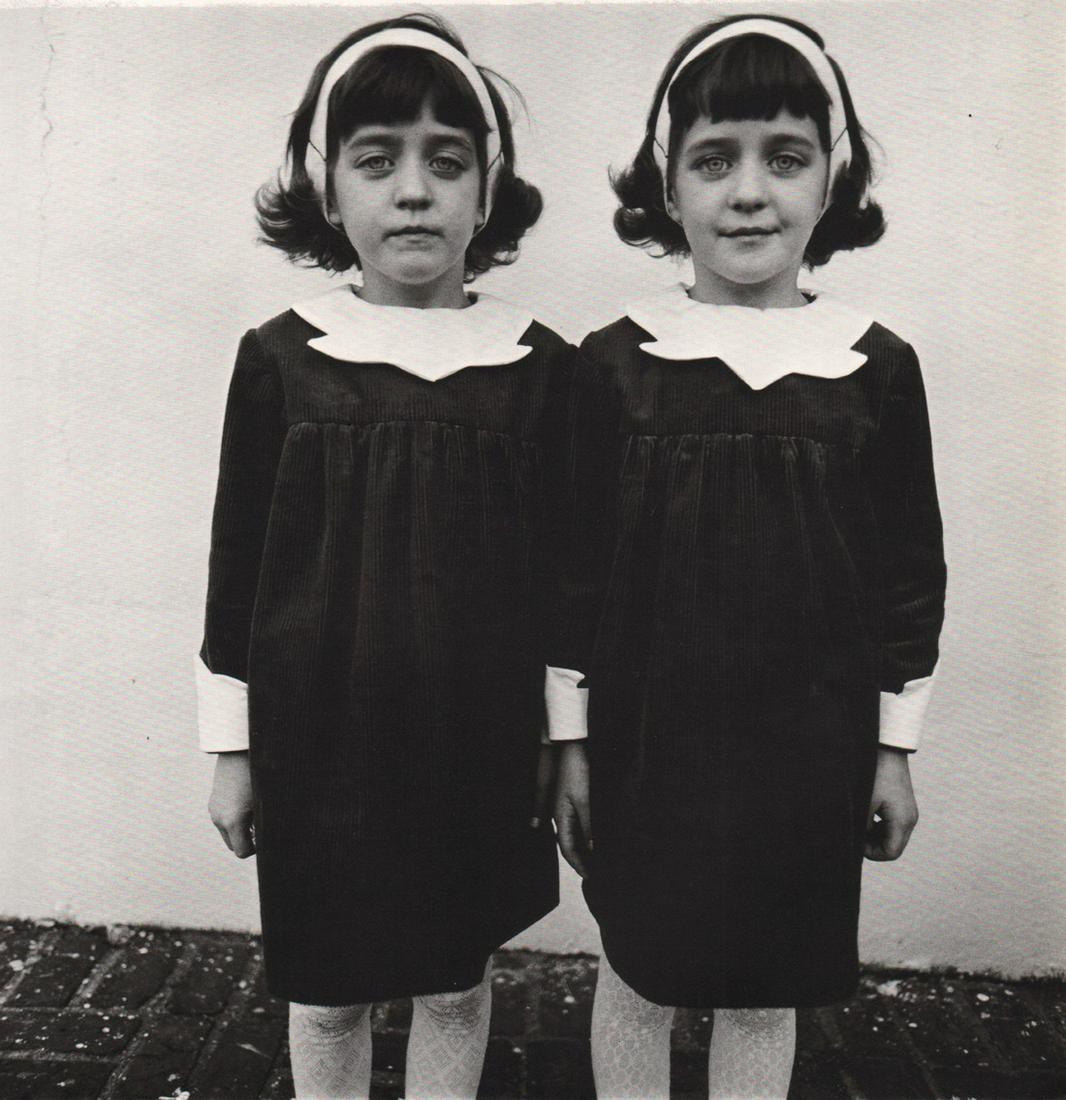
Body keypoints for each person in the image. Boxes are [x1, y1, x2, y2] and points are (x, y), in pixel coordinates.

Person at [548, 15, 947, 1098]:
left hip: (807, 746)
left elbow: (908, 577)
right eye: (714, 159)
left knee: (768, 979)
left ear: (832, 179)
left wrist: (893, 748)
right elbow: (570, 577)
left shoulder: (874, 369)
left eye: (786, 157)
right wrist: (569, 741)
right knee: (639, 966)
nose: (749, 193)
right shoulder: (614, 365)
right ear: (667, 183)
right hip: (647, 742)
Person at [197, 15, 567, 1098]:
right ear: (326, 188)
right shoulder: (283, 359)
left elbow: (567, 579)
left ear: (487, 192)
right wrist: (232, 748)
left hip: (475, 735)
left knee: (454, 975)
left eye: (446, 162)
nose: (413, 191)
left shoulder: (537, 367)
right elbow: (236, 564)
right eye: (376, 160)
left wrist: (563, 736)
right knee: (331, 985)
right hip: (321, 734)